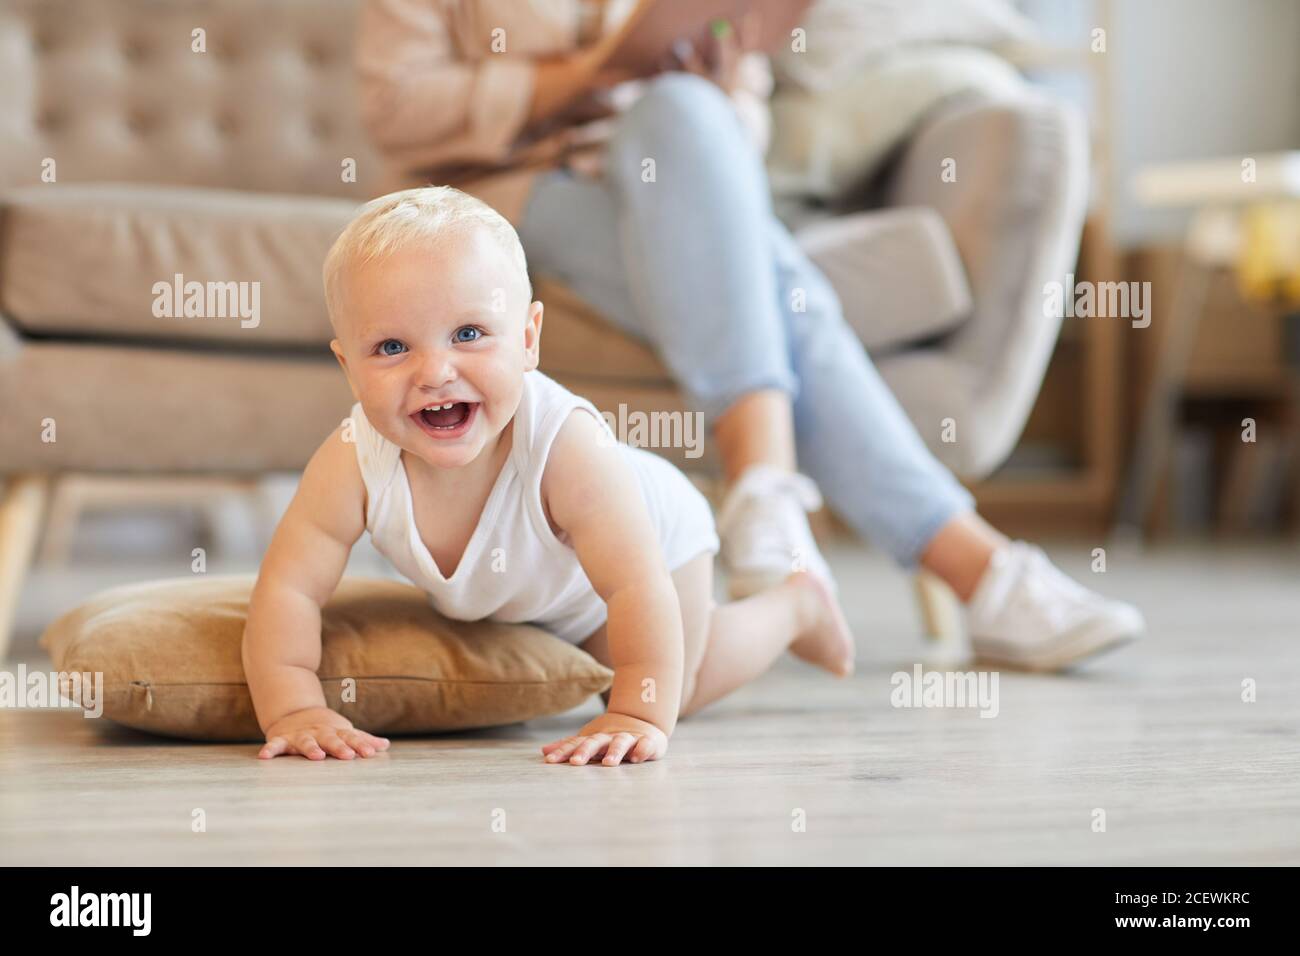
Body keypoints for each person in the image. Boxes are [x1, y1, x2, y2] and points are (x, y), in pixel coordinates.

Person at [355, 0, 1145, 672]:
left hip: (673, 181)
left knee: (686, 116)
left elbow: (742, 131)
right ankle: (970, 564)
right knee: (777, 289)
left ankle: (770, 492)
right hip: (512, 193)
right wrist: (589, 75)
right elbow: (394, 104)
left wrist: (723, 87)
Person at [242, 186, 855, 766]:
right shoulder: (352, 458)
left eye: (469, 334)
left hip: (654, 550)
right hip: (531, 590)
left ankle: (794, 604)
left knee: (677, 691)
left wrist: (638, 716)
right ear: (349, 369)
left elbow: (636, 589)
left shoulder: (567, 447)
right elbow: (289, 590)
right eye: (392, 348)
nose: (435, 372)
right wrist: (294, 709)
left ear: (529, 339)